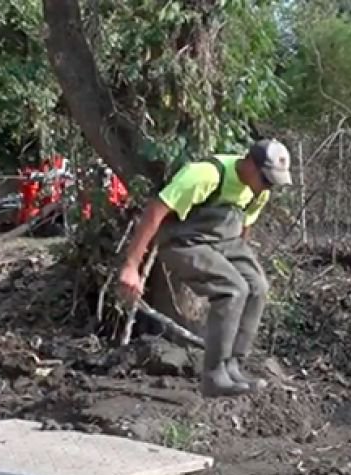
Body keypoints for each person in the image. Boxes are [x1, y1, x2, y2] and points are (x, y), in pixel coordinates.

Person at [117, 138, 293, 398]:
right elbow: (155, 212)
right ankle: (213, 376)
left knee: (256, 287)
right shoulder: (206, 175)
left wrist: (241, 263)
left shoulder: (261, 191)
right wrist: (132, 266)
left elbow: (243, 228)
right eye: (265, 179)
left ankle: (233, 365)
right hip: (183, 242)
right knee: (232, 290)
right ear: (250, 164)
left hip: (226, 243)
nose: (268, 188)